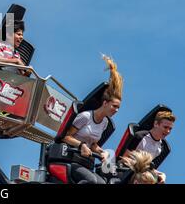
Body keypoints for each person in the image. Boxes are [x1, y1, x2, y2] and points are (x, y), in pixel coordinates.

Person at [62, 55, 123, 184]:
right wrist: (81, 145)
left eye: (119, 108)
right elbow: (65, 137)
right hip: (71, 159)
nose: (116, 110)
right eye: (114, 106)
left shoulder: (105, 122)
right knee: (92, 182)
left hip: (86, 162)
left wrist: (102, 152)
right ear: (105, 103)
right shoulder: (85, 117)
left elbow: (93, 143)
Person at [121, 110, 175, 183]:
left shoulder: (162, 147)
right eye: (165, 127)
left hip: (142, 176)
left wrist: (161, 174)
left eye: (170, 129)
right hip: (127, 172)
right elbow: (124, 158)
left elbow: (151, 168)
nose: (168, 131)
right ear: (156, 124)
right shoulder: (140, 137)